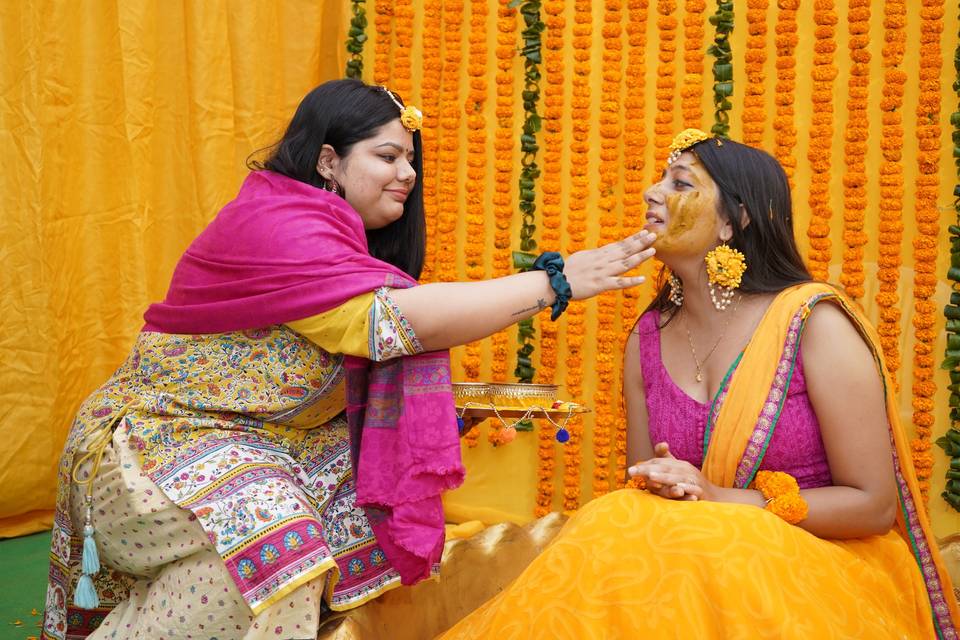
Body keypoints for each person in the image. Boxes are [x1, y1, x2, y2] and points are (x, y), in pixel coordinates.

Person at [40, 79, 658, 640]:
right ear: (328, 160)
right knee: (279, 547)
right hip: (150, 452)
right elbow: (385, 326)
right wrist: (554, 282)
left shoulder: (330, 237)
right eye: (387, 156)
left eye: (410, 159)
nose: (407, 173)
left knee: (332, 531)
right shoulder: (276, 226)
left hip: (250, 446)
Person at [441, 130, 960, 639]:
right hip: (686, 564)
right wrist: (669, 485)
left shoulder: (813, 324)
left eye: (680, 184)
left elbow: (873, 505)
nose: (651, 192)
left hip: (814, 567)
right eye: (659, 180)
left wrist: (723, 499)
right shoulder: (648, 336)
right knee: (617, 517)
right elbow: (643, 487)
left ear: (735, 222)